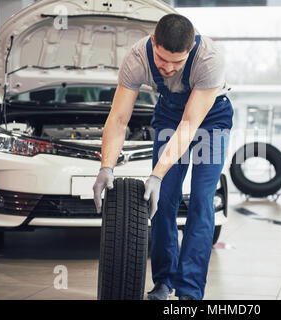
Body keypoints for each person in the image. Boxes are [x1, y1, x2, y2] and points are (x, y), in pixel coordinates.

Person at [92, 13, 233, 300]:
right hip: (169, 115)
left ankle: (189, 292)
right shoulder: (136, 57)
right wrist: (106, 166)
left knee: (201, 200)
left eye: (177, 62)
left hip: (212, 118)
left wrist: (156, 173)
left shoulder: (210, 58)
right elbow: (119, 118)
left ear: (191, 47)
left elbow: (190, 124)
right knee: (161, 199)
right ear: (153, 42)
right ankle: (163, 282)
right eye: (161, 59)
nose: (168, 68)